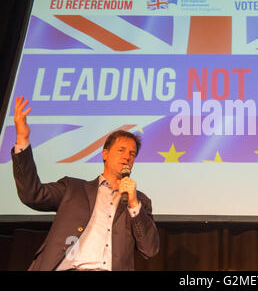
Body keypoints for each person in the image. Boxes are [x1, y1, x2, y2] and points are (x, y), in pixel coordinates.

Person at [11, 96, 159, 270]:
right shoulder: (73, 189)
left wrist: (134, 204)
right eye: (121, 150)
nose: (127, 156)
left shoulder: (140, 203)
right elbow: (32, 194)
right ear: (105, 154)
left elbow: (149, 250)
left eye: (132, 154)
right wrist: (22, 140)